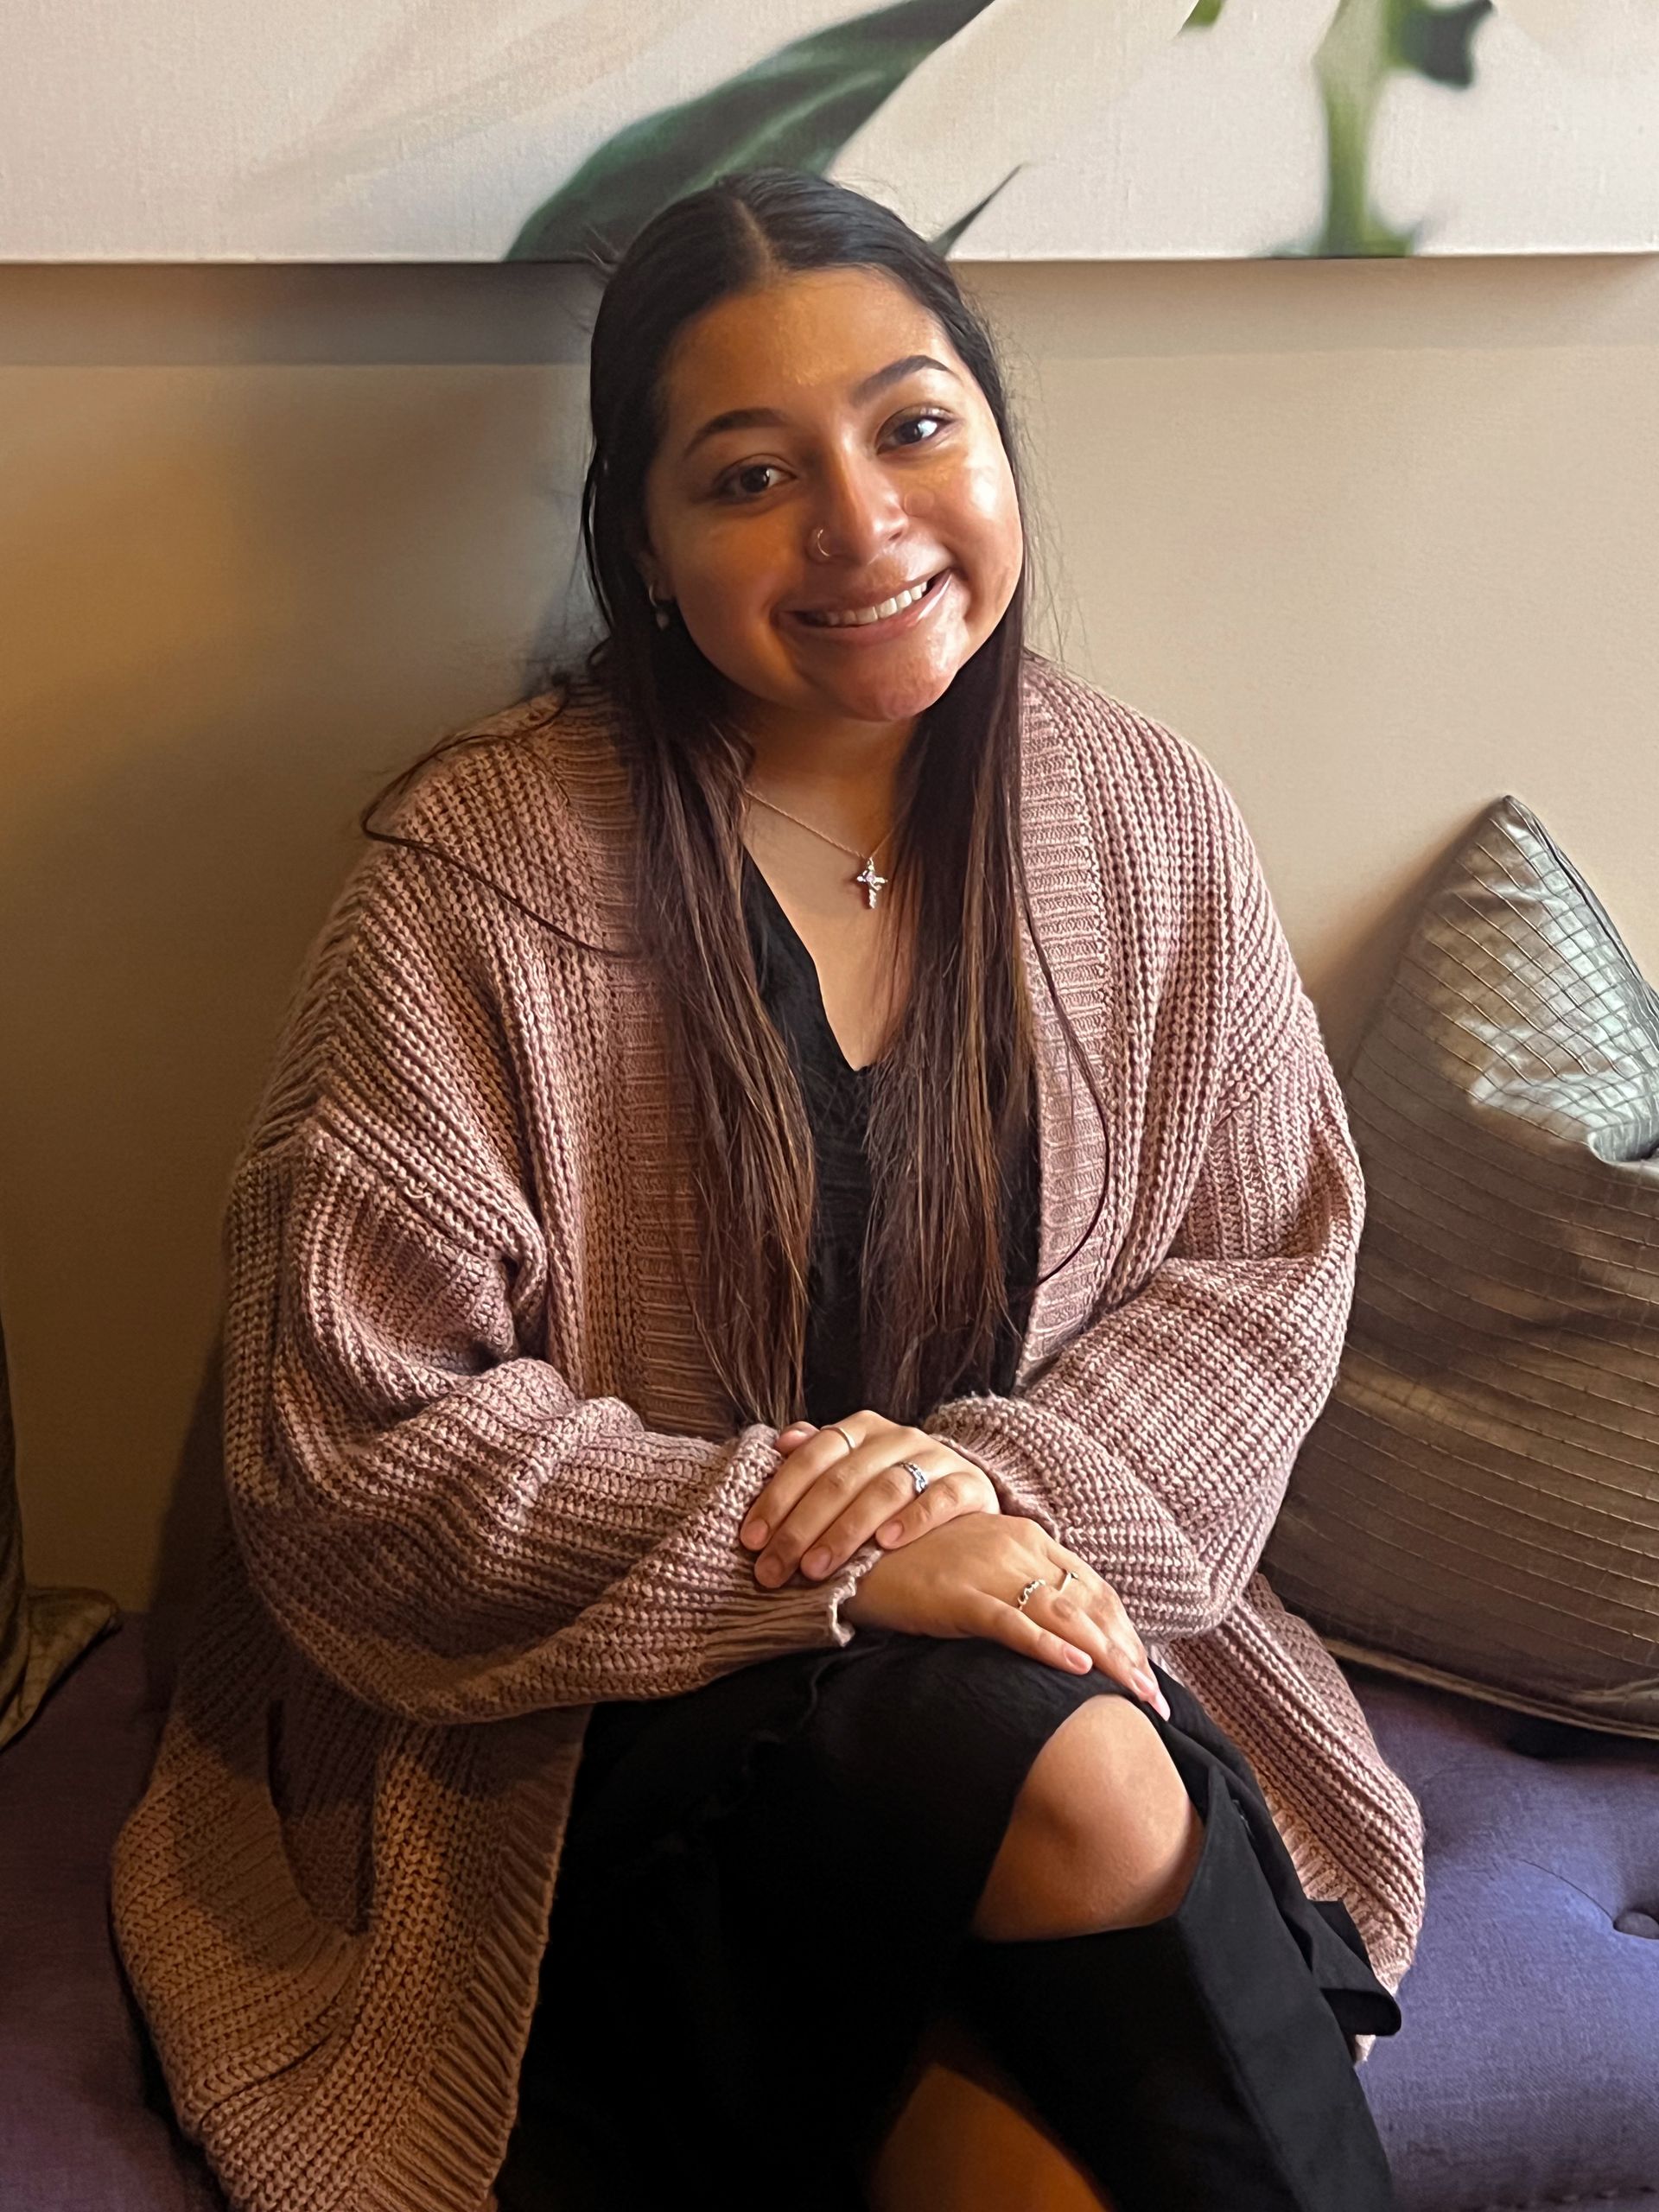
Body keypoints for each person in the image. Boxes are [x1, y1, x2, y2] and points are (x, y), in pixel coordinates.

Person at [111, 167, 1425, 2212]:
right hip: (582, 1735)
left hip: (1028, 1653)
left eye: (913, 424)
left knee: (1031, 2147)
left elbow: (1260, 1273)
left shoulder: (1146, 821)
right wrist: (804, 1549)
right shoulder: (482, 879)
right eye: (749, 474)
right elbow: (350, 1448)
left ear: (997, 437)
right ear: (641, 541)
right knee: (1082, 1774)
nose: (862, 526)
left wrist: (967, 1503)